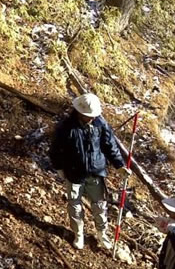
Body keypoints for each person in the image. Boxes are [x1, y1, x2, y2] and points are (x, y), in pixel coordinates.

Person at [49, 93, 131, 250]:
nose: (92, 118)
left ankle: (102, 233)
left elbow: (110, 146)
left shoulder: (100, 124)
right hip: (73, 173)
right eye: (88, 115)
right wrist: (59, 167)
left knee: (99, 204)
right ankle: (78, 233)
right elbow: (56, 150)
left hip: (96, 171)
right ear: (79, 112)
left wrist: (119, 165)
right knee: (74, 205)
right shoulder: (66, 128)